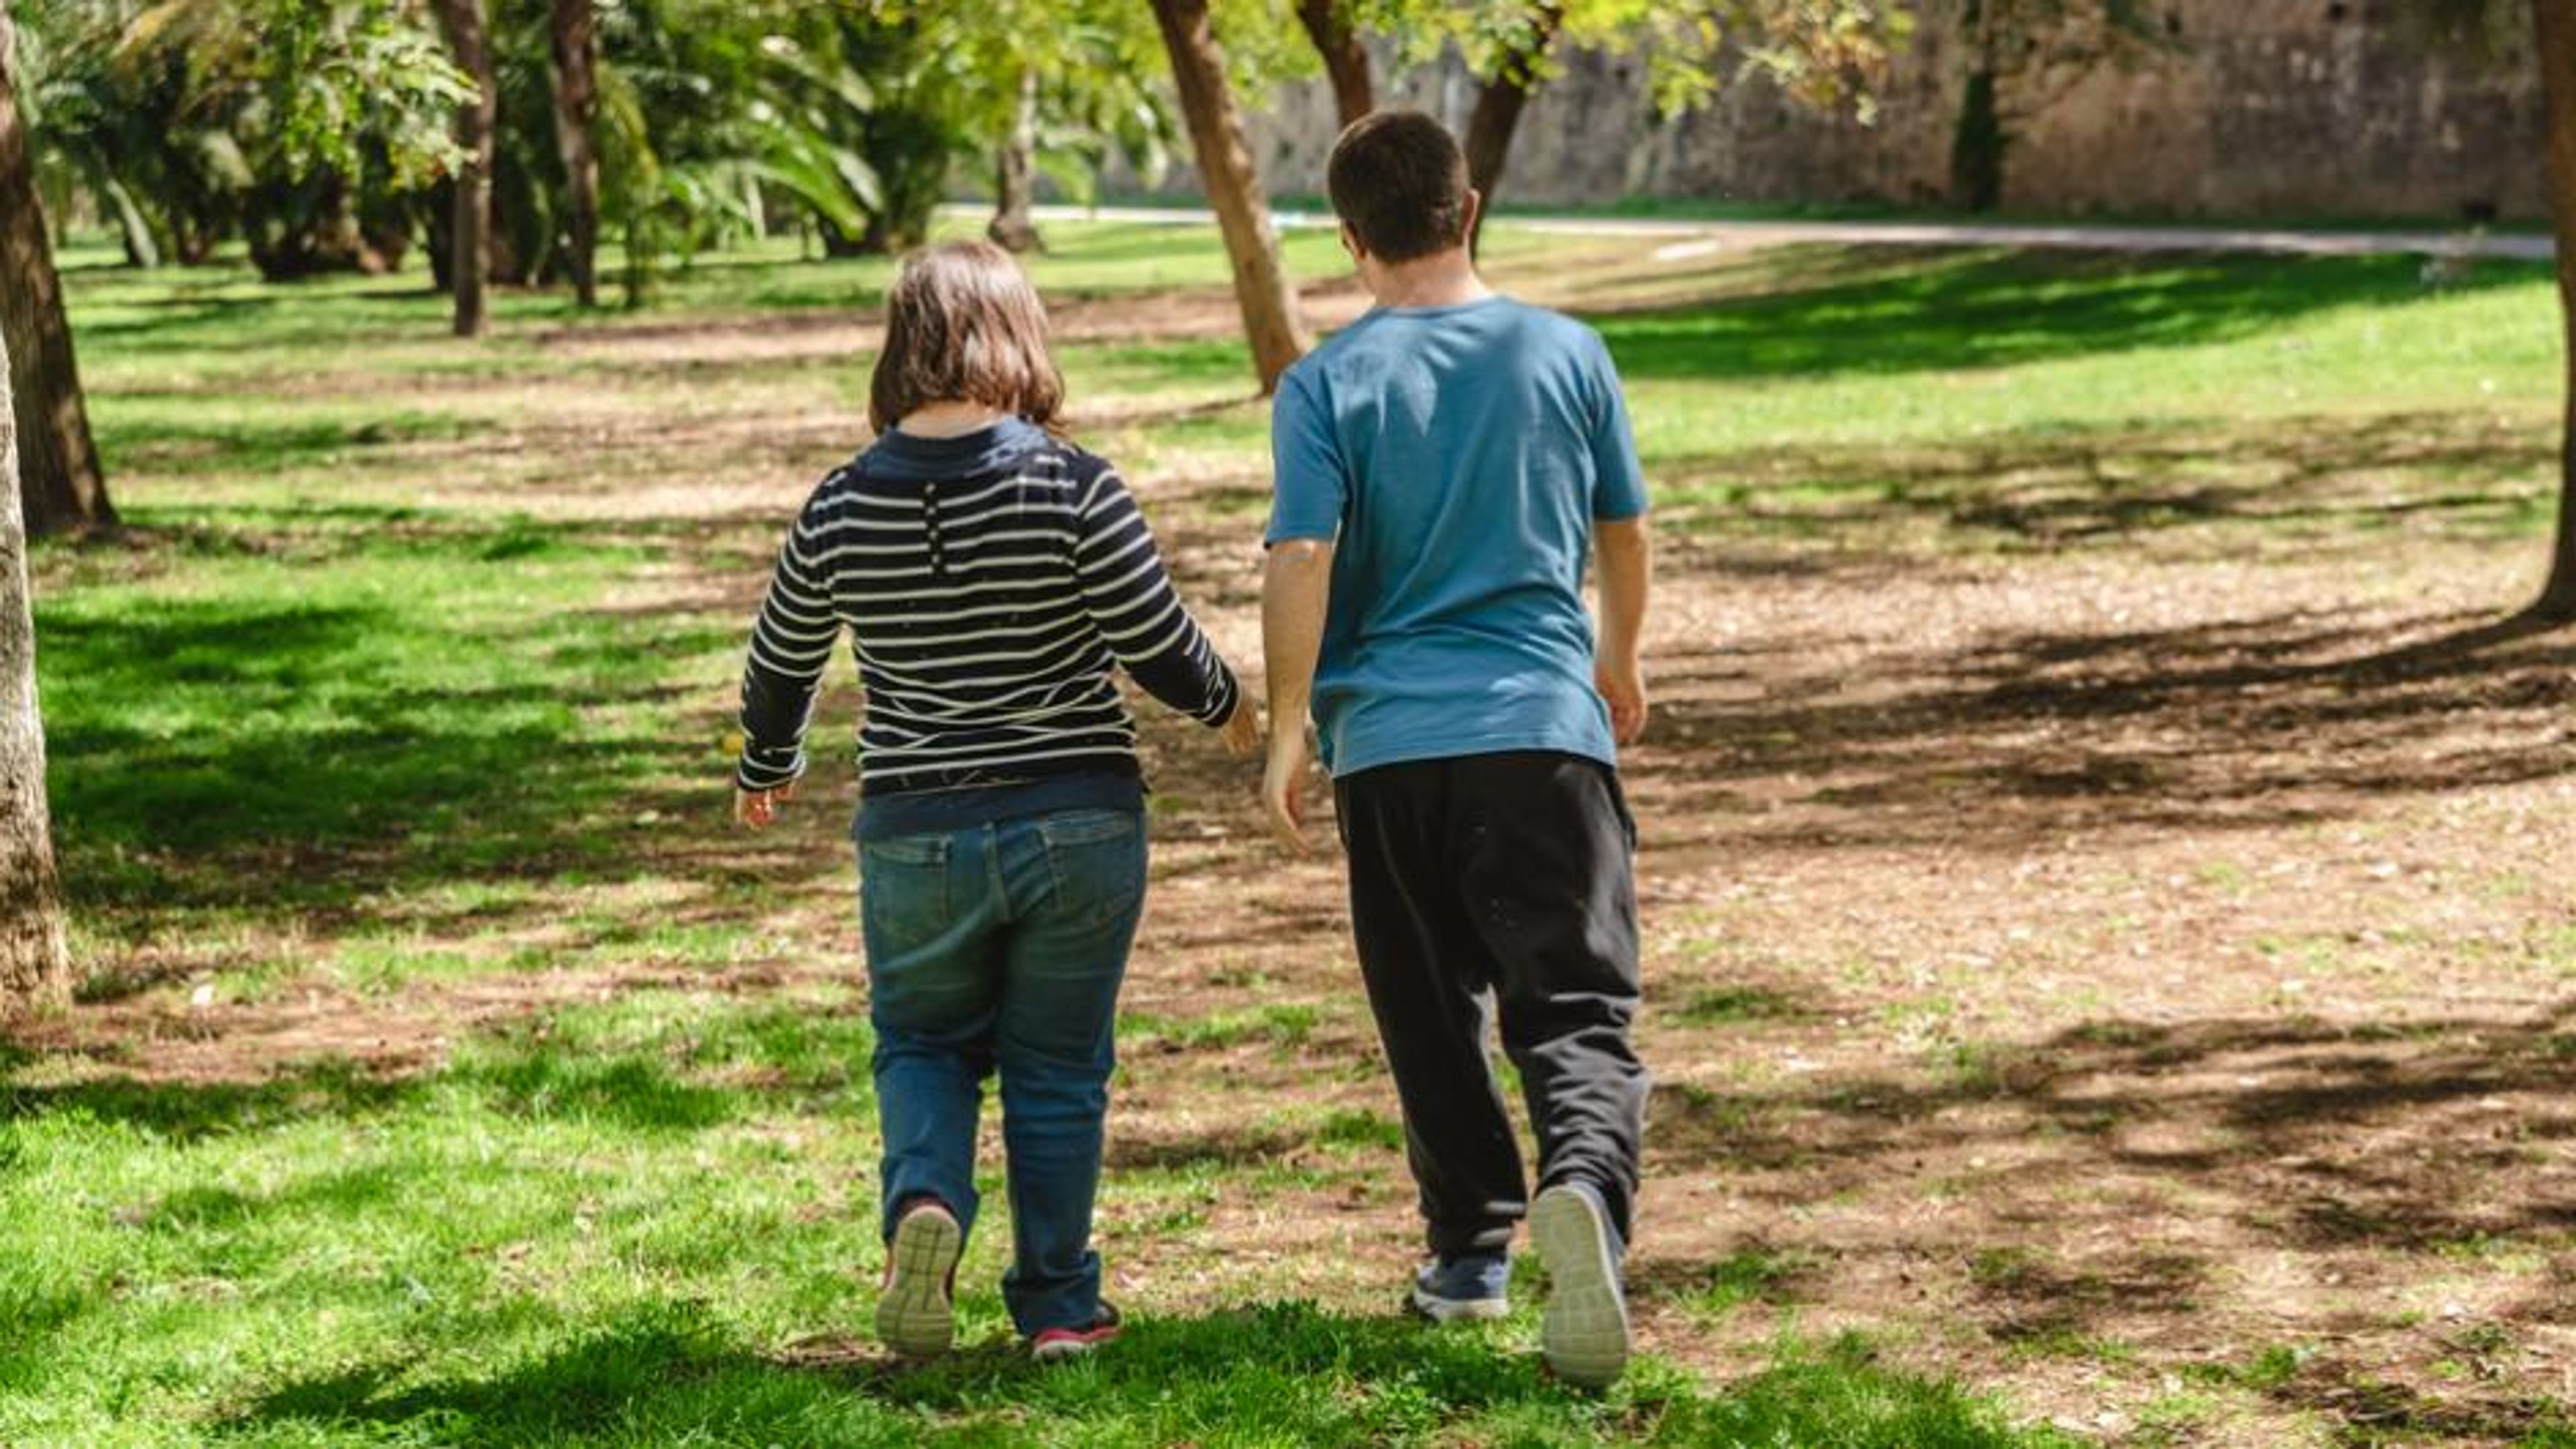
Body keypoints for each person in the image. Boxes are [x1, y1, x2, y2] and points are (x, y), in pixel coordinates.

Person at [731, 239, 1258, 1363]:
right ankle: (1061, 1307)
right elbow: (1155, 641)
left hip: (916, 832)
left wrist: (767, 765)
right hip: (1079, 821)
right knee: (1060, 1068)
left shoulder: (839, 503)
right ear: (1015, 337)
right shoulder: (1071, 482)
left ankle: (925, 1208)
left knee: (922, 1041)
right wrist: (1230, 709)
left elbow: (782, 662)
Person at [1258, 111, 1654, 1389]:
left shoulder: (1324, 384)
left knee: (1431, 1012)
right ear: (1467, 208)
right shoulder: (1566, 351)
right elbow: (1623, 534)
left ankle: (1470, 1256)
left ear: (1353, 239)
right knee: (1577, 1002)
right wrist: (1620, 660)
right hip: (1544, 731)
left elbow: (1300, 556)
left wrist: (1286, 726)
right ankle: (1585, 1187)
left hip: (1392, 751)